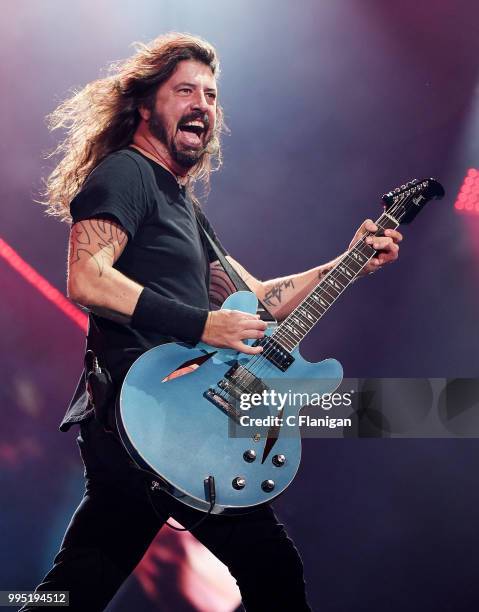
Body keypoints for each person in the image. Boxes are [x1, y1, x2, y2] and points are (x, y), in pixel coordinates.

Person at [21, 33, 402, 612]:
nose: (202, 103)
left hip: (159, 422)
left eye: (211, 94)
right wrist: (202, 325)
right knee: (273, 571)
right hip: (148, 412)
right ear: (145, 105)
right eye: (184, 90)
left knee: (76, 587)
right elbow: (88, 279)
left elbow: (259, 301)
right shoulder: (126, 173)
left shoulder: (181, 204)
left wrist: (348, 260)